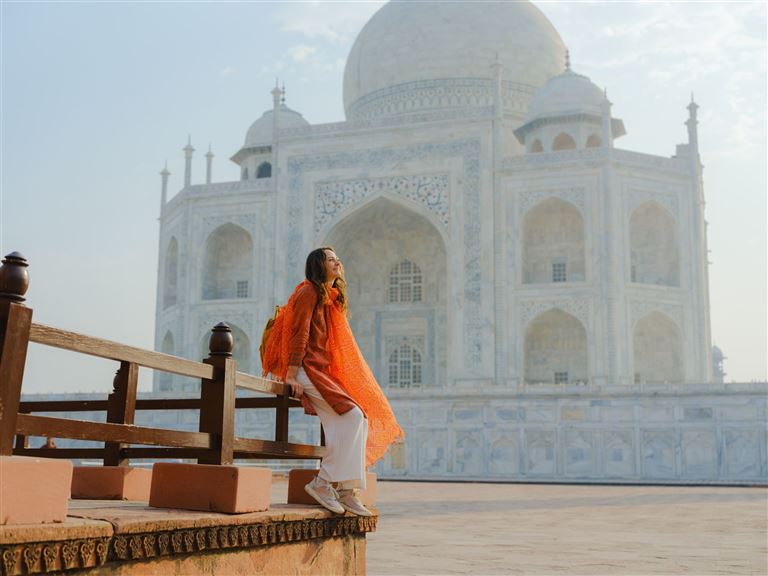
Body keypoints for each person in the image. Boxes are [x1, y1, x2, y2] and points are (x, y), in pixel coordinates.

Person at [262, 247, 403, 515]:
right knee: (351, 417)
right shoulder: (308, 292)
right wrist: (291, 374)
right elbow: (299, 335)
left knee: (357, 419)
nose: (337, 261)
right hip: (306, 369)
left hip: (320, 370)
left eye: (337, 257)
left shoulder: (328, 297)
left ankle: (347, 490)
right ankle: (323, 482)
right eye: (330, 259)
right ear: (318, 265)